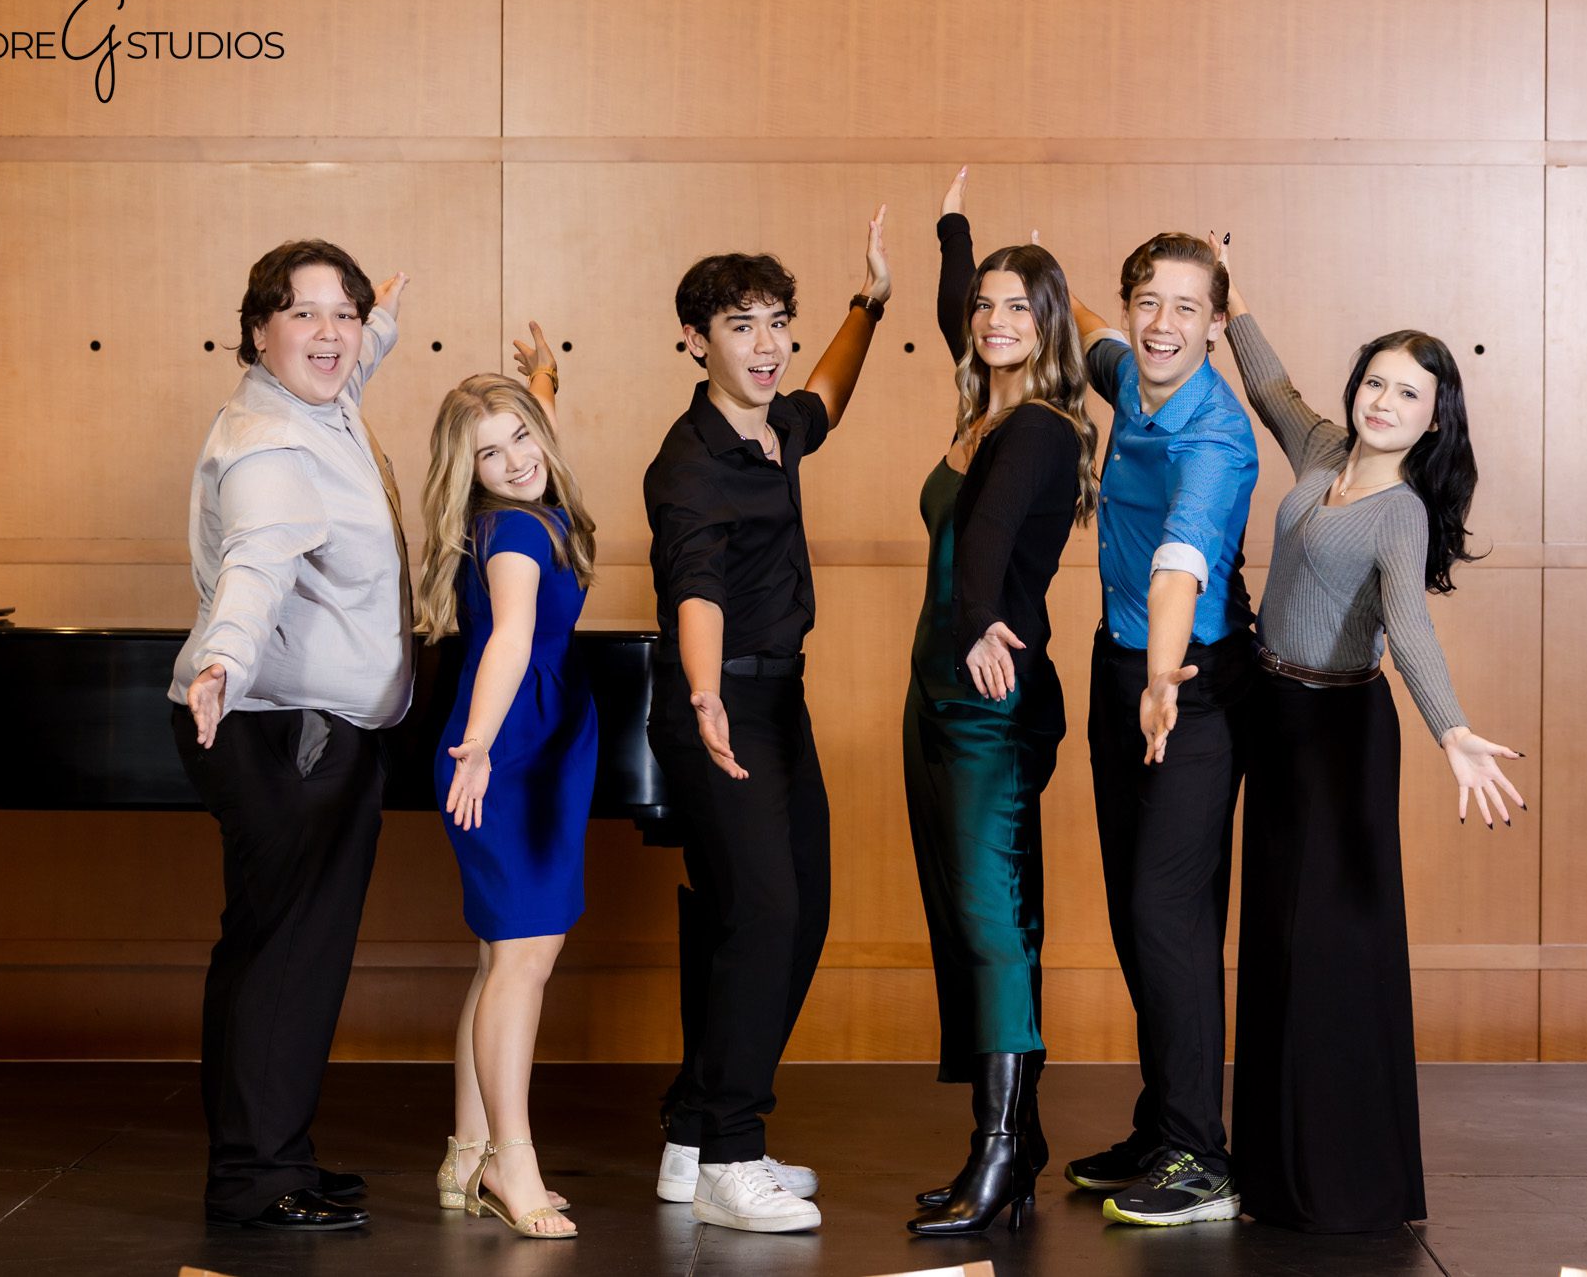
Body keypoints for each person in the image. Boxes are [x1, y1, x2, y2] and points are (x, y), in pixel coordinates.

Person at [1218, 242, 1524, 1232]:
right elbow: (1271, 386)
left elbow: (1409, 628)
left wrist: (1454, 730)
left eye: (1408, 393)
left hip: (1341, 737)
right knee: (1271, 942)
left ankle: (1346, 1182)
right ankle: (1268, 1171)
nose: (1385, 402)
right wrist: (1233, 305)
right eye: (1376, 382)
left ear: (1432, 418)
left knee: (1330, 951)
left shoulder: (1398, 514)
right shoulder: (1318, 455)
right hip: (1272, 717)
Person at [644, 205, 890, 1233]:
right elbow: (692, 587)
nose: (769, 344)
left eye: (777, 322)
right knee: (764, 916)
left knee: (799, 912)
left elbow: (826, 392)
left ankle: (695, 1135)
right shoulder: (689, 461)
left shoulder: (777, 426)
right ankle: (729, 1156)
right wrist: (703, 693)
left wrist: (867, 303)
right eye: (742, 324)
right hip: (716, 703)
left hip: (778, 701)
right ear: (696, 339)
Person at [169, 240, 408, 1231]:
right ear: (255, 330)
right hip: (283, 729)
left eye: (341, 314)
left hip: (300, 729)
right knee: (287, 957)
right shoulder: (271, 441)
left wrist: (375, 313)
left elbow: (352, 352)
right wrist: (225, 656)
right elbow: (258, 559)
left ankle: (270, 1155)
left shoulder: (323, 399)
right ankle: (255, 1178)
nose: (330, 333)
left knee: (273, 946)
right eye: (303, 314)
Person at [905, 169, 1099, 1236]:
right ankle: (1010, 1144)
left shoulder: (1040, 430)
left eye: (1018, 305)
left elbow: (980, 547)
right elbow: (956, 316)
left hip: (989, 691)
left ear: (1052, 322)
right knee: (965, 912)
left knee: (994, 922)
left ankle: (999, 1152)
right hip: (933, 690)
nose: (991, 319)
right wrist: (951, 234)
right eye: (986, 304)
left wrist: (981, 620)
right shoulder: (985, 408)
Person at [1066, 233, 1258, 1227]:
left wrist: (1155, 680)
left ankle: (1199, 1158)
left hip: (1188, 684)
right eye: (1148, 301)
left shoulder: (1217, 438)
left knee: (1166, 914)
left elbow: (1181, 559)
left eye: (1186, 308)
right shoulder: (1126, 376)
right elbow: (1089, 330)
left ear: (1217, 327)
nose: (1160, 324)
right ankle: (1162, 1122)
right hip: (1121, 667)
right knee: (1130, 910)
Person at [415, 334, 598, 1241]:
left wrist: (541, 382)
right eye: (491, 452)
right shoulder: (518, 529)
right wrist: (480, 745)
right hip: (513, 746)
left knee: (503, 960)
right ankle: (509, 1164)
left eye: (523, 434)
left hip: (540, 741)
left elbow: (535, 443)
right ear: (470, 470)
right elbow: (511, 637)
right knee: (521, 962)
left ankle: (467, 1152)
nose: (517, 458)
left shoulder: (523, 495)